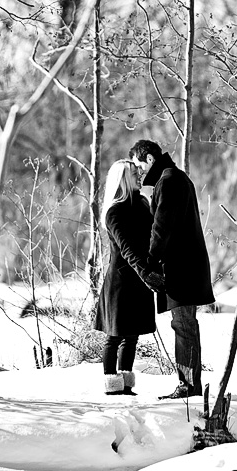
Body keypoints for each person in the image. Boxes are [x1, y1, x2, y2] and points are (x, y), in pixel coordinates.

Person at [129, 140, 215, 399]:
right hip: (185, 266)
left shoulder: (169, 181)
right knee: (185, 325)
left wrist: (150, 262)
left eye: (138, 165)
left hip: (182, 268)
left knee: (184, 326)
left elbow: (162, 228)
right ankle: (189, 386)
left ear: (150, 160)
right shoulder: (174, 178)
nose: (138, 171)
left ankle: (188, 388)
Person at [95, 159, 165, 396]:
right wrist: (146, 273)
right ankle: (112, 386)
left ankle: (125, 386)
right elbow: (127, 248)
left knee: (132, 336)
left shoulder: (143, 204)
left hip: (140, 279)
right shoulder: (114, 212)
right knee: (114, 336)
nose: (139, 175)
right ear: (122, 179)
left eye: (138, 171)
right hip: (121, 282)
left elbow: (152, 239)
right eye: (134, 173)